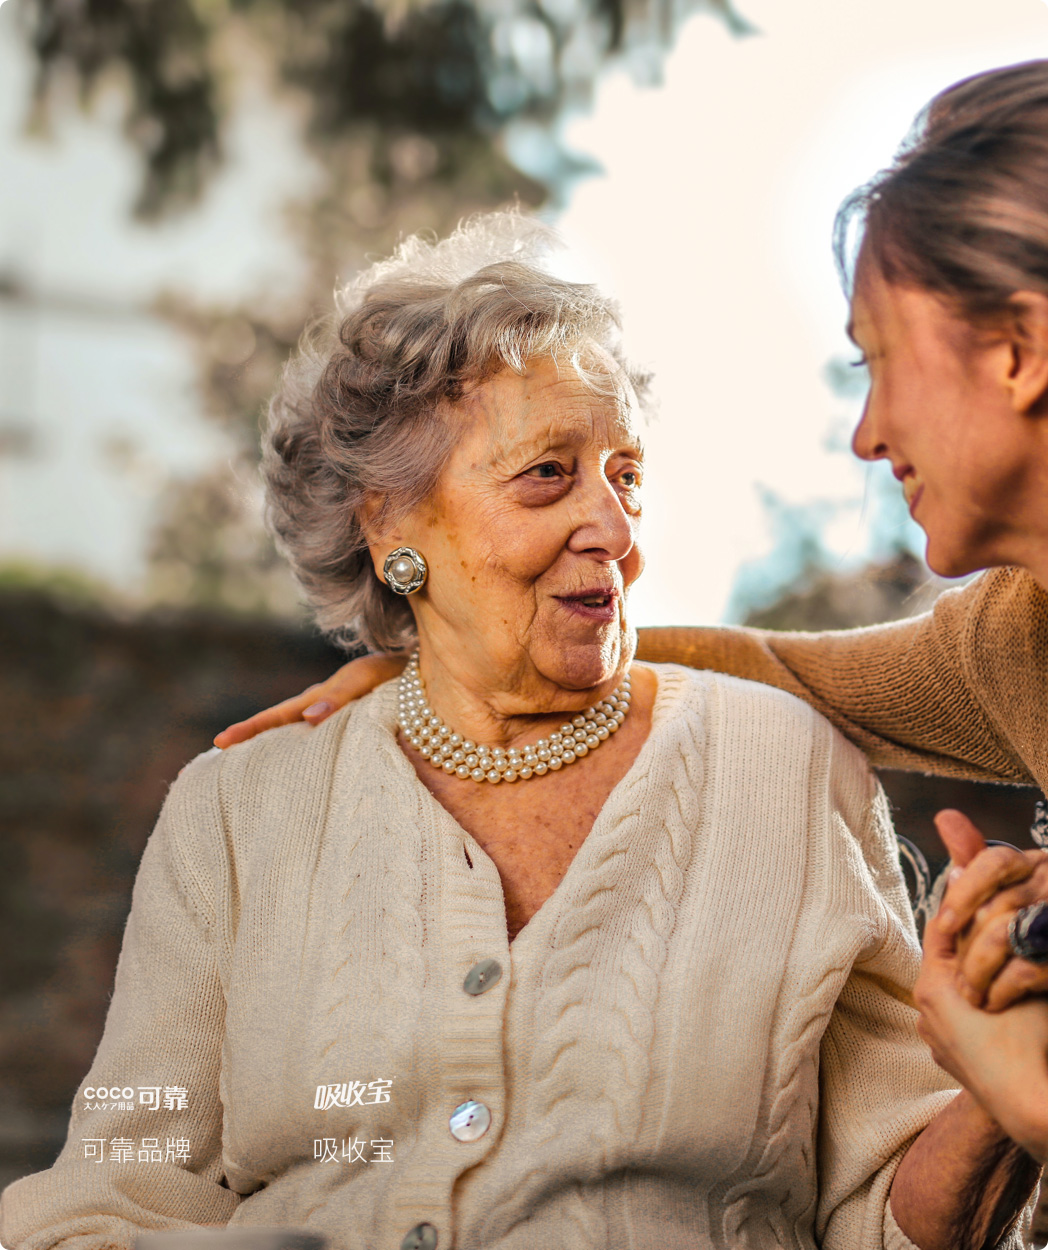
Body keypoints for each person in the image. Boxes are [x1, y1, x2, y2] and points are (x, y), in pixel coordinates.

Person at [0, 212, 1038, 1250]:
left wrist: (1003, 1080)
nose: (619, 530)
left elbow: (887, 1213)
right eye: (548, 472)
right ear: (389, 521)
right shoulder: (237, 808)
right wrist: (443, 656)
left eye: (625, 474)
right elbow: (114, 1186)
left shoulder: (788, 766)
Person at [219, 62, 1048, 1173]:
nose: (864, 430)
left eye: (879, 360)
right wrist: (467, 661)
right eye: (545, 476)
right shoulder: (1013, 640)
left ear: (1019, 349)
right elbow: (772, 668)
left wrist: (1016, 1088)